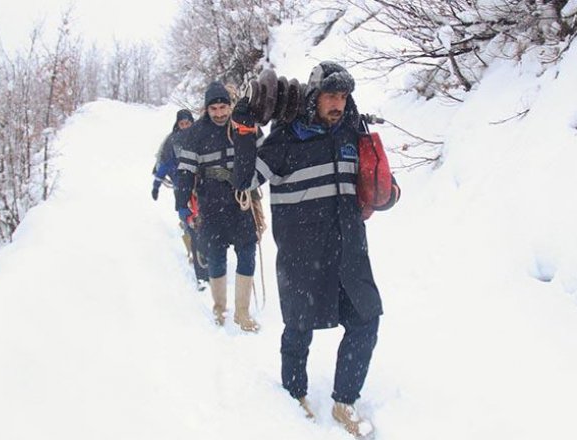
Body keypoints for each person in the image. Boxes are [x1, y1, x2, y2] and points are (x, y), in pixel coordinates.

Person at [231, 61, 400, 438]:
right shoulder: (287, 138)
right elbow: (245, 178)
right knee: (298, 328)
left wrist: (385, 189)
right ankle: (294, 396)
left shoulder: (352, 134)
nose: (338, 104)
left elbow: (378, 181)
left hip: (350, 252)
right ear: (313, 96)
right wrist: (244, 129)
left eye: (343, 96)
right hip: (301, 256)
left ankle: (344, 400)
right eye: (330, 96)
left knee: (366, 319)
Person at [174, 81, 262, 332]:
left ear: (230, 105)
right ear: (206, 109)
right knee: (216, 256)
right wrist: (182, 203)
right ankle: (220, 309)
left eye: (224, 107)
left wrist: (255, 183)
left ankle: (243, 313)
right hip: (211, 204)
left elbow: (264, 153)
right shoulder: (195, 134)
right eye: (215, 109)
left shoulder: (242, 124)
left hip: (241, 201)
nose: (220, 113)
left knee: (247, 252)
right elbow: (186, 170)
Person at [150, 109, 208, 290]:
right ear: (177, 124)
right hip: (180, 186)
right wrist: (156, 185)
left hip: (199, 186)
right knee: (188, 221)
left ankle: (203, 256)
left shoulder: (201, 136)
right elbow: (165, 165)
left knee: (201, 223)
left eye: (188, 123)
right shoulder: (172, 142)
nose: (185, 127)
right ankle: (195, 255)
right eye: (182, 124)